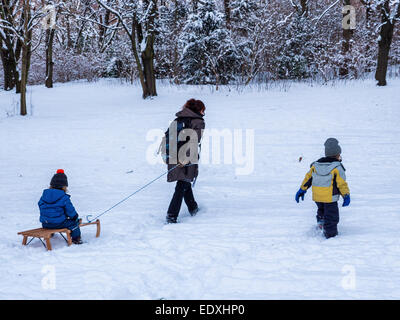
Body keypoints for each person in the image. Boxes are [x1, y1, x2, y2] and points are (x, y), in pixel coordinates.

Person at [295, 138, 351, 239]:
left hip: (318, 197)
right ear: (338, 155)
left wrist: (302, 190)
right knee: (332, 217)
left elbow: (308, 179)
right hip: (330, 198)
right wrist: (346, 195)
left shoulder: (315, 165)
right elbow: (342, 184)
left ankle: (321, 223)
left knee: (321, 210)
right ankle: (330, 235)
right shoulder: (337, 168)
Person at [164, 99, 206, 223]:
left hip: (173, 156)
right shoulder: (197, 122)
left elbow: (168, 138)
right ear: (198, 110)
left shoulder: (178, 119)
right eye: (203, 109)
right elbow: (192, 142)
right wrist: (184, 158)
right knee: (182, 185)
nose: (204, 112)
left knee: (185, 182)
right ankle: (171, 215)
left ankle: (193, 208)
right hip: (185, 158)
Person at [38, 169, 83, 244]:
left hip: (45, 224)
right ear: (64, 186)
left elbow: (41, 206)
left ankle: (51, 232)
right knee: (74, 223)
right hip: (59, 224)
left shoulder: (43, 196)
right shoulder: (63, 197)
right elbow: (70, 211)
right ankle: (76, 239)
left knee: (53, 218)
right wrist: (75, 217)